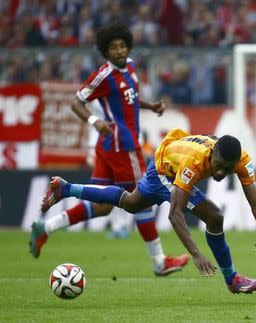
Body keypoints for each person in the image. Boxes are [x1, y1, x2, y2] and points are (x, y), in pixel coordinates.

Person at [39, 128, 256, 294]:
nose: (221, 173)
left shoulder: (242, 161)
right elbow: (174, 214)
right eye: (219, 165)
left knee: (131, 202)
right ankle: (232, 278)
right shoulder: (195, 163)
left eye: (227, 168)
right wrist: (197, 254)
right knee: (215, 216)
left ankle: (65, 188)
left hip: (168, 153)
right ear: (213, 155)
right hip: (167, 166)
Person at [29, 22, 189, 276]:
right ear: (105, 51)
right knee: (142, 199)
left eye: (123, 45)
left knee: (103, 206)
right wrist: (94, 121)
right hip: (122, 145)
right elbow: (76, 101)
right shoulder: (103, 75)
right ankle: (160, 262)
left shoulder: (132, 67)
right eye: (113, 47)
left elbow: (131, 99)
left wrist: (150, 106)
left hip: (109, 146)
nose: (119, 51)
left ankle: (46, 228)